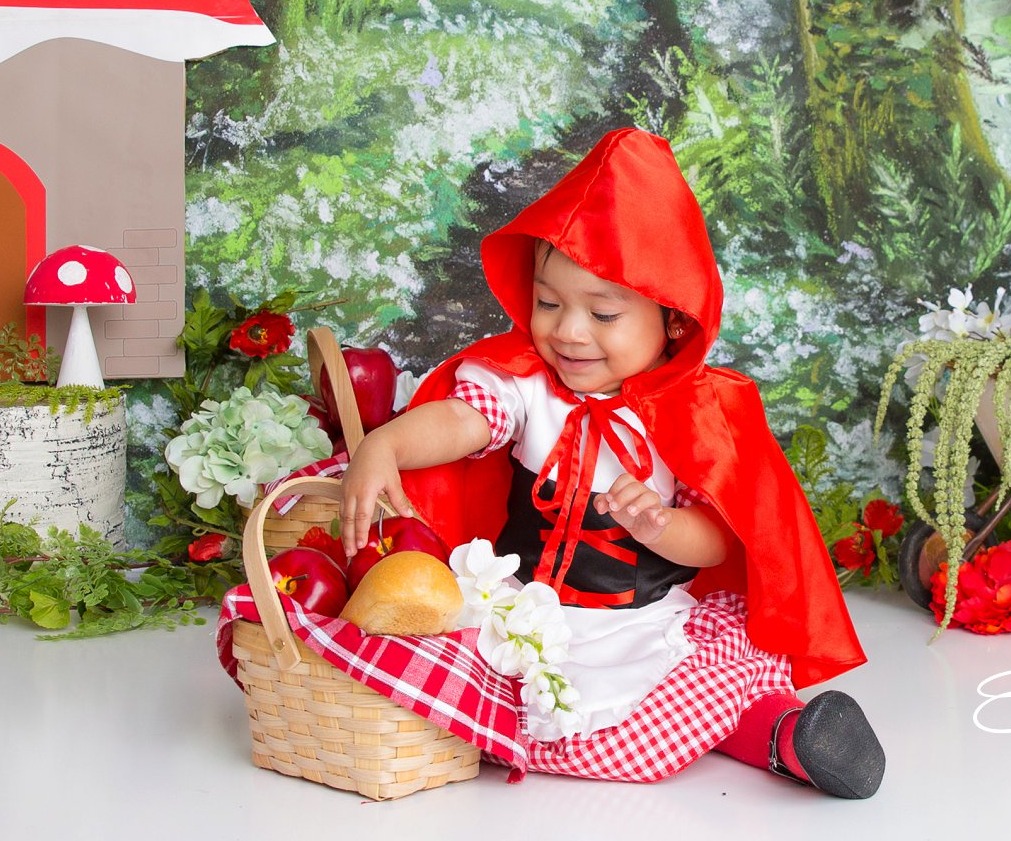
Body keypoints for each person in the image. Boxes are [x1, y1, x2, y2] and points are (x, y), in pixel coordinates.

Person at [338, 127, 884, 797]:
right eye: (548, 303)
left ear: (672, 321)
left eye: (603, 313)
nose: (567, 331)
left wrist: (659, 525)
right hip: (519, 612)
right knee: (436, 663)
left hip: (636, 621)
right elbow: (459, 421)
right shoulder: (526, 386)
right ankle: (756, 733)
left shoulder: (689, 415)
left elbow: (716, 539)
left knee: (705, 677)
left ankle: (788, 739)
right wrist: (384, 443)